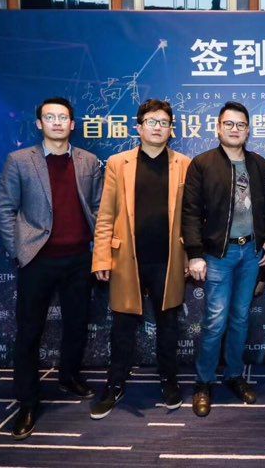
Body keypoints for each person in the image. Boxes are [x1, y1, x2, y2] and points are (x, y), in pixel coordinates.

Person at [0, 97, 103, 440]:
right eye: (50, 117)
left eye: (63, 117)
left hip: (79, 259)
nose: (57, 122)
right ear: (39, 124)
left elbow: (99, 208)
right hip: (37, 259)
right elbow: (6, 210)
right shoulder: (19, 160)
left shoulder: (88, 161)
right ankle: (27, 402)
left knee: (77, 324)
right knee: (29, 332)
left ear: (72, 124)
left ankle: (69, 377)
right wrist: (18, 251)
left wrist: (100, 252)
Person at [89, 99, 191, 418]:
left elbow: (192, 217)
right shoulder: (118, 163)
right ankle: (115, 384)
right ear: (139, 127)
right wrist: (101, 258)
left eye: (164, 122)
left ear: (171, 129)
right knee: (122, 327)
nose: (158, 127)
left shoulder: (185, 164)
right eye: (151, 121)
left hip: (169, 260)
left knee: (168, 326)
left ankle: (169, 381)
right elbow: (106, 215)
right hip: (126, 260)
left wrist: (191, 256)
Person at [182, 101, 265, 417]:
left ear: (248, 130)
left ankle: (234, 375)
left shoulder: (258, 164)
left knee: (240, 319)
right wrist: (195, 254)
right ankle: (204, 382)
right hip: (218, 256)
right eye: (229, 124)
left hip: (251, 253)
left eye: (241, 124)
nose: (235, 129)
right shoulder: (202, 164)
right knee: (215, 321)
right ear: (218, 128)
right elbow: (190, 213)